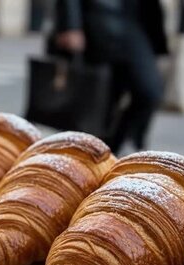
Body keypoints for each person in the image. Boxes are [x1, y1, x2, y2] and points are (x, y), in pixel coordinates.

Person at [53, 0, 168, 153]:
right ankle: (95, 155)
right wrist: (70, 24)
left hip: (136, 22)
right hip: (95, 22)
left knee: (150, 91)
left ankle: (120, 145)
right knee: (100, 103)